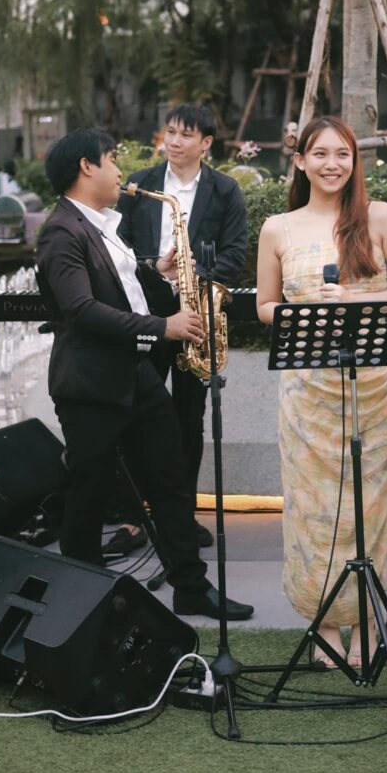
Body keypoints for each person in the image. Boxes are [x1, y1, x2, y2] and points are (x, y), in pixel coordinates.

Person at [36, 128, 253, 620]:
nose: (120, 171)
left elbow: (121, 291)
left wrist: (157, 270)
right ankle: (84, 604)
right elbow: (82, 311)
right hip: (91, 388)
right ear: (86, 167)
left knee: (170, 482)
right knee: (90, 496)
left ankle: (190, 587)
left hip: (136, 377)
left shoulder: (101, 226)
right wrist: (164, 327)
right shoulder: (60, 232)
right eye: (112, 160)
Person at [256, 116, 387, 667]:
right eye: (321, 154)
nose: (332, 164)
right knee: (314, 510)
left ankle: (371, 623)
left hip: (374, 385)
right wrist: (304, 313)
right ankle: (325, 621)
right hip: (308, 392)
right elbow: (265, 306)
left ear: (355, 161)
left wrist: (355, 301)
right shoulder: (277, 228)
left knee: (370, 505)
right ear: (300, 161)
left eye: (343, 154)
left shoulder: (379, 216)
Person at [105, 103, 248, 555]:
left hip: (197, 315)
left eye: (185, 135)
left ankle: (180, 516)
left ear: (206, 143)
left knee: (189, 419)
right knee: (134, 414)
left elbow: (236, 253)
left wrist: (194, 278)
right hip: (145, 312)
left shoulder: (225, 190)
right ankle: (132, 518)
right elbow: (116, 247)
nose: (174, 141)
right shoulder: (140, 184)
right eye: (170, 132)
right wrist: (155, 268)